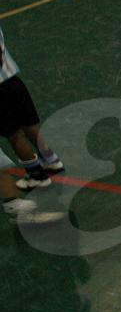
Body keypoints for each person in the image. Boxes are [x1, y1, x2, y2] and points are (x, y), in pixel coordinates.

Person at [0, 24, 65, 192]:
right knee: (29, 126)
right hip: (14, 82)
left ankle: (36, 176)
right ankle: (52, 160)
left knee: (14, 136)